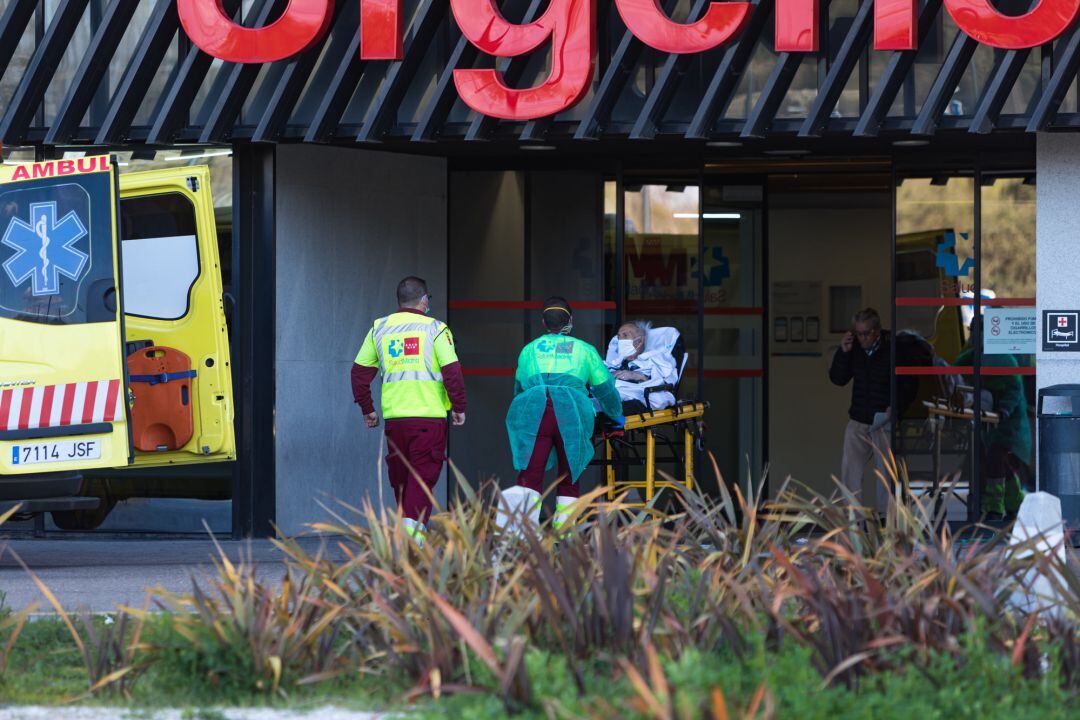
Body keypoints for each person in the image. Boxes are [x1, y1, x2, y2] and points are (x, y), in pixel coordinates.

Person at [351, 276, 467, 542]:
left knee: (403, 481)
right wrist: (459, 406)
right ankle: (411, 543)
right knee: (422, 478)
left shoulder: (379, 328)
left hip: (395, 421)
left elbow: (358, 373)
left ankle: (412, 537)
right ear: (424, 300)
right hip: (429, 419)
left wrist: (367, 409)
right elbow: (452, 373)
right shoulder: (437, 329)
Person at [502, 297, 623, 531]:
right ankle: (564, 535)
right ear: (570, 320)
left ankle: (522, 537)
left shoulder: (529, 350)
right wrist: (616, 417)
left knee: (530, 475)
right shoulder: (584, 350)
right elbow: (605, 389)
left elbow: (518, 388)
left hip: (534, 414)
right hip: (572, 415)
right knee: (570, 476)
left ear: (544, 322)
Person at [828, 308, 914, 509]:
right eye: (858, 333)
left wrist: (897, 408)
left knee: (885, 474)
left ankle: (885, 520)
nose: (862, 338)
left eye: (866, 333)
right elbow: (838, 379)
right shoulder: (854, 348)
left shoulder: (893, 348)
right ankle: (853, 520)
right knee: (850, 471)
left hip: (883, 418)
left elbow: (909, 383)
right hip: (858, 418)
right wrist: (843, 352)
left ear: (876, 330)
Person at [955, 344, 1029, 521]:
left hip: (1009, 421)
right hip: (991, 418)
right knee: (999, 462)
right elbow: (957, 366)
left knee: (996, 459)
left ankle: (995, 508)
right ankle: (1015, 504)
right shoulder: (977, 356)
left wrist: (1004, 409)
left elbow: (1014, 390)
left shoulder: (1004, 359)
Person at [605, 320, 679, 414]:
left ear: (639, 341)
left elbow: (664, 384)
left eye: (625, 335)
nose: (620, 340)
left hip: (636, 400)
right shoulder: (616, 363)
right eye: (619, 336)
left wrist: (641, 377)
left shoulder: (655, 360)